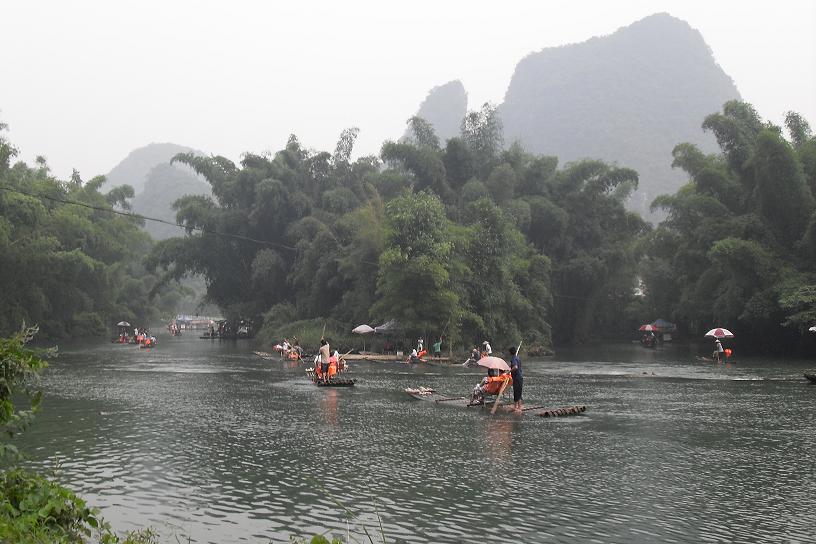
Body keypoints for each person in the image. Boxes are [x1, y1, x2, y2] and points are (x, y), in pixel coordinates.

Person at [509, 346, 523, 413]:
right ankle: (517, 407)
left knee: (517, 392)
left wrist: (509, 371)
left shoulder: (514, 358)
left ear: (510, 353)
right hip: (519, 377)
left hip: (517, 378)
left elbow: (515, 367)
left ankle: (517, 407)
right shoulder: (517, 358)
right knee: (518, 392)